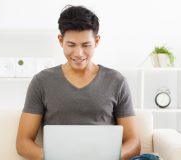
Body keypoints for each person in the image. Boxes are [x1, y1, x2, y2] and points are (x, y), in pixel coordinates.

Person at [16, 5, 141, 160]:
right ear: (60, 41)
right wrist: (53, 157)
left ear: (97, 41)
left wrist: (108, 157)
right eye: (71, 45)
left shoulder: (116, 81)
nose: (78, 53)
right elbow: (23, 143)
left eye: (86, 45)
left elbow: (134, 142)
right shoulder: (41, 81)